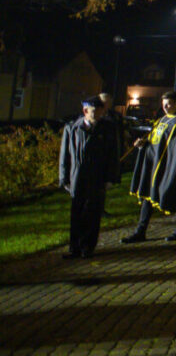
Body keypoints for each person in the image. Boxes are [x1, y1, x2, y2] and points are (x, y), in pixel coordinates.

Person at [122, 91, 176, 243]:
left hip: (167, 165)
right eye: (164, 103)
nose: (166, 106)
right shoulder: (161, 120)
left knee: (172, 193)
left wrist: (173, 167)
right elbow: (155, 141)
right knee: (148, 195)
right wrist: (143, 145)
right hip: (153, 164)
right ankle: (141, 231)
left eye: (169, 103)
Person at [59, 96, 119, 258]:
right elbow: (65, 155)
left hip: (98, 177)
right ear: (85, 111)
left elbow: (112, 154)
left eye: (100, 111)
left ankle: (87, 247)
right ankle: (74, 247)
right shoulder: (72, 128)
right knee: (77, 212)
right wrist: (64, 178)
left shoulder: (107, 128)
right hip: (77, 177)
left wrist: (110, 178)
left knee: (93, 213)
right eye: (95, 111)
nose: (99, 114)